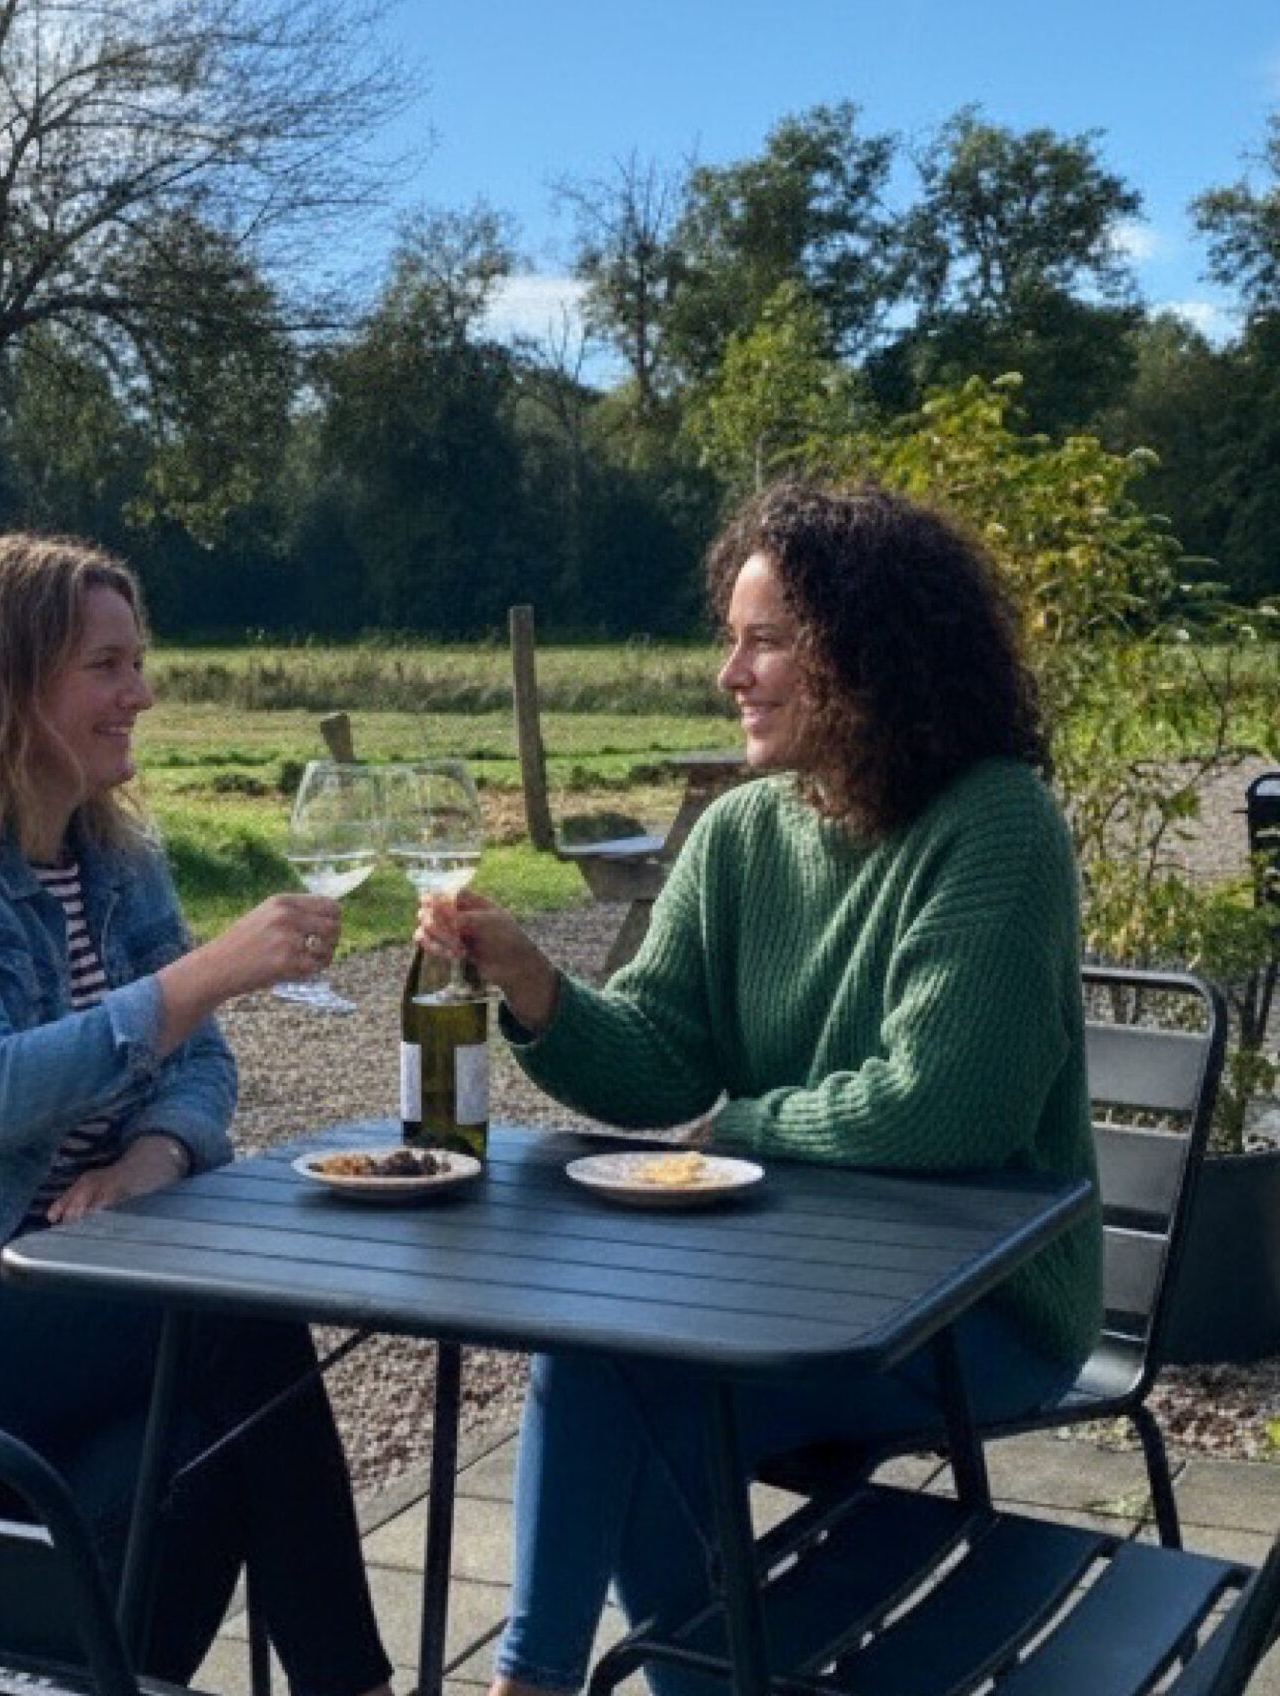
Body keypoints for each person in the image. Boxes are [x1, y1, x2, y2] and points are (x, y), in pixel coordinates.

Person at [418, 480, 1100, 1696]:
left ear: (868, 651)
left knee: (620, 1393)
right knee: (608, 1368)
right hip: (780, 1286)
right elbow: (661, 1053)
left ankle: (545, 1682)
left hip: (975, 1311)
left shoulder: (995, 824)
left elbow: (946, 1106)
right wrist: (535, 988)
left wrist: (740, 1128)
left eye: (765, 639)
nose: (729, 673)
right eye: (728, 639)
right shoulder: (741, 832)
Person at [0, 532, 395, 1696]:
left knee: (193, 1460)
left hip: (40, 1283)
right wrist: (208, 971)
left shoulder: (112, 851)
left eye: (135, 663)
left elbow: (197, 1067)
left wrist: (153, 1161)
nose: (139, 693)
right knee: (233, 1330)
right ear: (5, 682)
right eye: (106, 666)